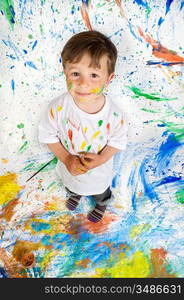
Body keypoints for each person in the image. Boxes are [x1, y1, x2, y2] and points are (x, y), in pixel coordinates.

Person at [38, 30, 127, 223]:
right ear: (65, 73)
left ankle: (102, 203)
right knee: (71, 185)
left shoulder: (115, 115)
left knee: (100, 192)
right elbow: (47, 136)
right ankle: (75, 194)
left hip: (99, 172)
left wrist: (101, 159)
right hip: (69, 167)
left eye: (94, 75)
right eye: (75, 73)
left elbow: (118, 142)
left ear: (108, 79)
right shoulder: (57, 108)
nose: (83, 83)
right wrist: (67, 158)